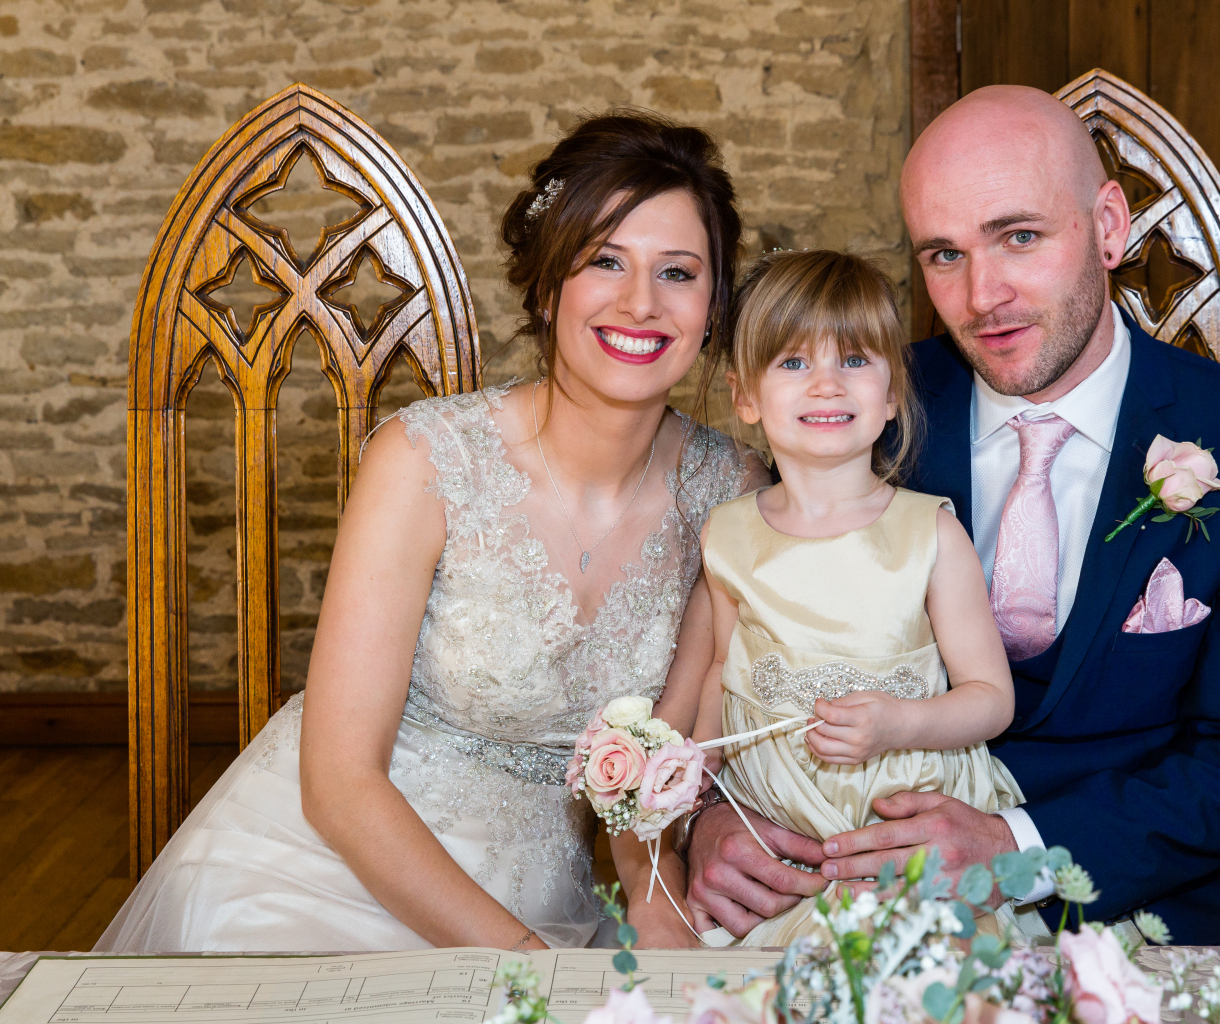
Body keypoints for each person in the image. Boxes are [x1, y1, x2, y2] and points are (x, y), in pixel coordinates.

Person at [97, 110, 764, 953]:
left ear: (712, 307)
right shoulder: (426, 460)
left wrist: (653, 897)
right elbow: (339, 783)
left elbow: (669, 761)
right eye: (605, 260)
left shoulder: (729, 494)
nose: (641, 301)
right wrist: (528, 966)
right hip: (323, 872)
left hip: (547, 901)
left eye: (677, 272)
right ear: (548, 287)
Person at [685, 85, 1220, 946]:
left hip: (1143, 901)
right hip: (850, 890)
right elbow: (752, 654)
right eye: (943, 254)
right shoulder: (858, 408)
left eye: (1019, 237)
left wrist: (1016, 847)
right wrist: (710, 820)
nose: (982, 294)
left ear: (1109, 228)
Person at [684, 250, 1022, 946]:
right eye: (793, 362)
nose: (827, 384)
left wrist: (901, 723)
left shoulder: (929, 532)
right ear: (745, 396)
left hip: (899, 822)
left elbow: (992, 698)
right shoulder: (727, 534)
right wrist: (698, 774)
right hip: (779, 823)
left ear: (892, 392)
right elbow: (722, 667)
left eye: (855, 360)